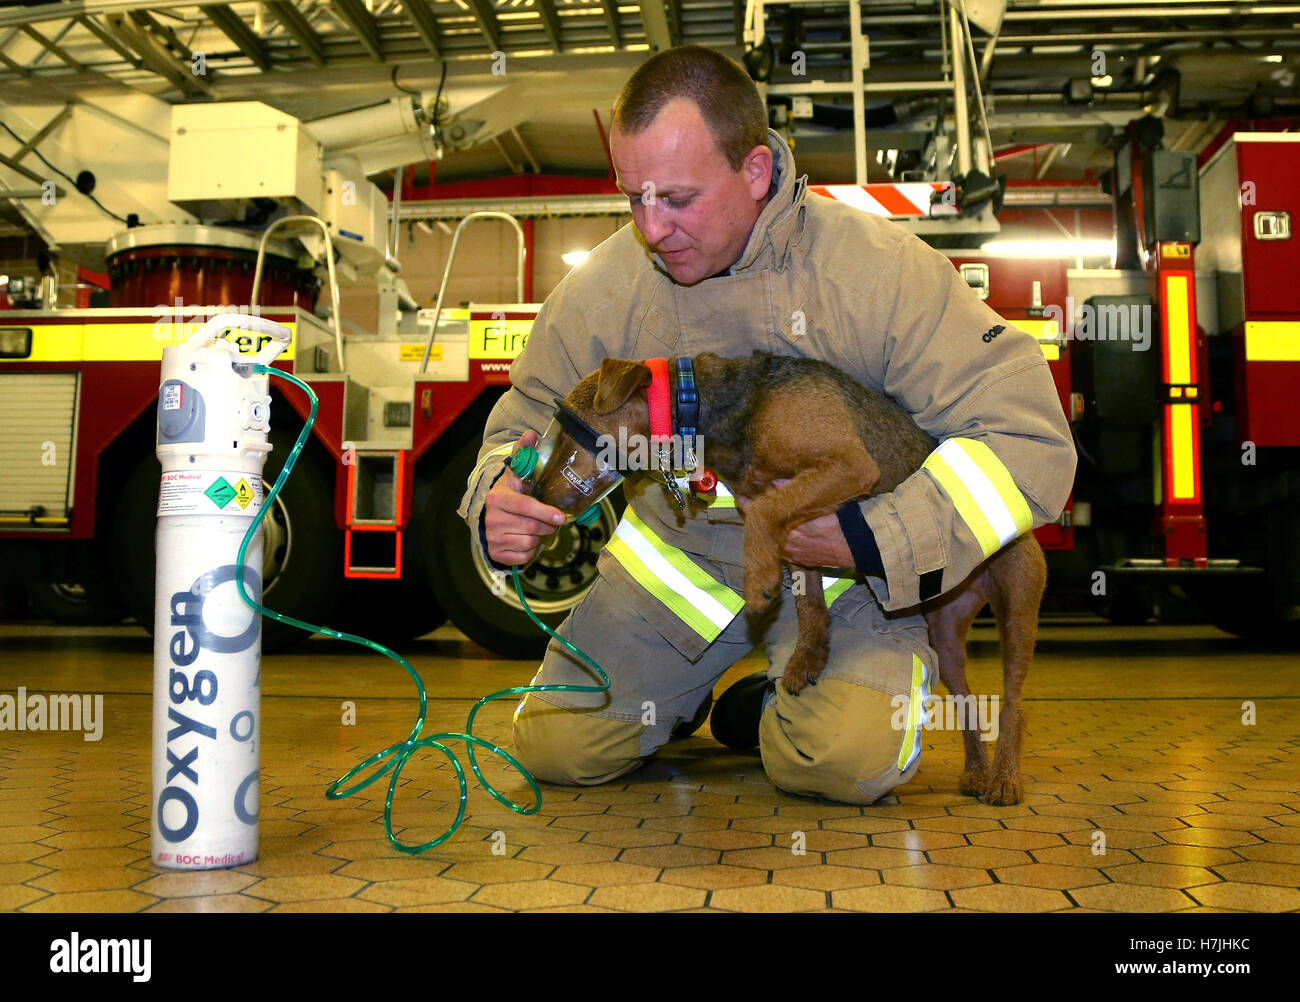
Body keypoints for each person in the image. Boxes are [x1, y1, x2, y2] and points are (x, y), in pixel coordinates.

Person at [457, 45, 1075, 804]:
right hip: (678, 576)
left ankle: (780, 709)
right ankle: (678, 703)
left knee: (841, 762)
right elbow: (521, 419)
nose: (651, 229)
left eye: (678, 199)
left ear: (753, 172)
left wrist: (879, 537)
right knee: (554, 749)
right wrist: (499, 493)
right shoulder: (605, 289)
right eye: (633, 197)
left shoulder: (877, 272)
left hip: (847, 581)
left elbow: (1025, 436)